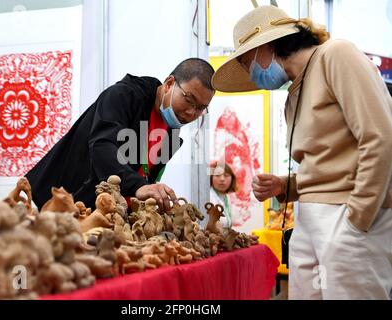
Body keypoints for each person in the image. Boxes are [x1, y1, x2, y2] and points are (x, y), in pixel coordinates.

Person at [212, 5, 392, 300]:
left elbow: (380, 137)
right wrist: (287, 186)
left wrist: (358, 218)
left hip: (347, 214)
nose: (250, 73)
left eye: (246, 63)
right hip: (308, 219)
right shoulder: (294, 94)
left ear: (266, 46)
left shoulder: (336, 55)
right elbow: (330, 160)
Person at [26, 58, 215, 213]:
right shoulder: (124, 95)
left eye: (200, 108)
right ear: (169, 84)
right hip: (68, 200)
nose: (191, 113)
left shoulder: (173, 128)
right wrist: (137, 185)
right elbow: (103, 145)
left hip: (113, 210)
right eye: (189, 99)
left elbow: (146, 174)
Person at [209, 162, 238, 229]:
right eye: (217, 175)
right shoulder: (207, 196)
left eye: (226, 175)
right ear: (211, 178)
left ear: (232, 178)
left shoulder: (226, 197)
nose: (222, 179)